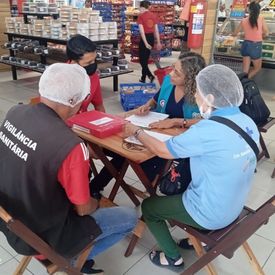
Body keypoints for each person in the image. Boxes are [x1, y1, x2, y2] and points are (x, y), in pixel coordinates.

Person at [0, 63, 137, 274]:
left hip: (12, 219)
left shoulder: (14, 112)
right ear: (73, 101)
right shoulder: (72, 147)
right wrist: (98, 203)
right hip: (43, 236)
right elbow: (83, 208)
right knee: (129, 217)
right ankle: (70, 260)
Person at [124, 64, 259, 271]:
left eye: (197, 92)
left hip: (211, 212)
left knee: (150, 207)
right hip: (234, 206)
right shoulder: (246, 121)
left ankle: (172, 258)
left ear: (211, 99)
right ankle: (199, 238)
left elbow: (162, 151)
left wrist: (136, 132)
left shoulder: (207, 129)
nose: (195, 96)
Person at [90, 52, 205, 199]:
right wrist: (146, 106)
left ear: (190, 79)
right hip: (153, 131)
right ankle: (94, 187)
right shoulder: (169, 82)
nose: (170, 73)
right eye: (173, 68)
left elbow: (208, 121)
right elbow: (156, 99)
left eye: (177, 72)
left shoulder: (200, 96)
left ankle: (95, 187)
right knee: (123, 153)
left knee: (130, 159)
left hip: (174, 143)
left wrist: (178, 121)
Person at [67, 34, 105, 113]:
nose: (93, 64)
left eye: (94, 59)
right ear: (74, 61)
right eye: (89, 62)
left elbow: (99, 106)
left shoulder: (93, 77)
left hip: (83, 121)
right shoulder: (59, 78)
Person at [233, 2, 269, 79]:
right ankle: (243, 82)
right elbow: (266, 33)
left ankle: (241, 82)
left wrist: (242, 34)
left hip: (246, 45)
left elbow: (235, 33)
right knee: (257, 68)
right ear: (259, 10)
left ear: (249, 10)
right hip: (255, 46)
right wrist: (260, 35)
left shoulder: (244, 20)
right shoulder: (261, 18)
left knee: (245, 71)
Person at [137, 0, 162, 83]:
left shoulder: (141, 16)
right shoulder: (153, 16)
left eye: (140, 7)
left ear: (143, 7)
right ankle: (143, 78)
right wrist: (158, 42)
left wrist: (145, 43)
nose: (139, 9)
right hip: (151, 38)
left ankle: (150, 76)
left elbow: (142, 31)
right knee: (145, 59)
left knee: (142, 60)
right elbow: (156, 31)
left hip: (145, 39)